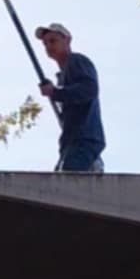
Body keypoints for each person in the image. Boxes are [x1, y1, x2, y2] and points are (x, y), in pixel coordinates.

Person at [35, 23, 106, 175]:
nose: (48, 46)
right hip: (72, 141)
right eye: (45, 43)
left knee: (65, 182)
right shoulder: (63, 74)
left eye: (53, 41)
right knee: (60, 178)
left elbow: (89, 89)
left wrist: (55, 92)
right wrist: (55, 91)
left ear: (67, 40)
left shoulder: (77, 61)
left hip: (84, 139)